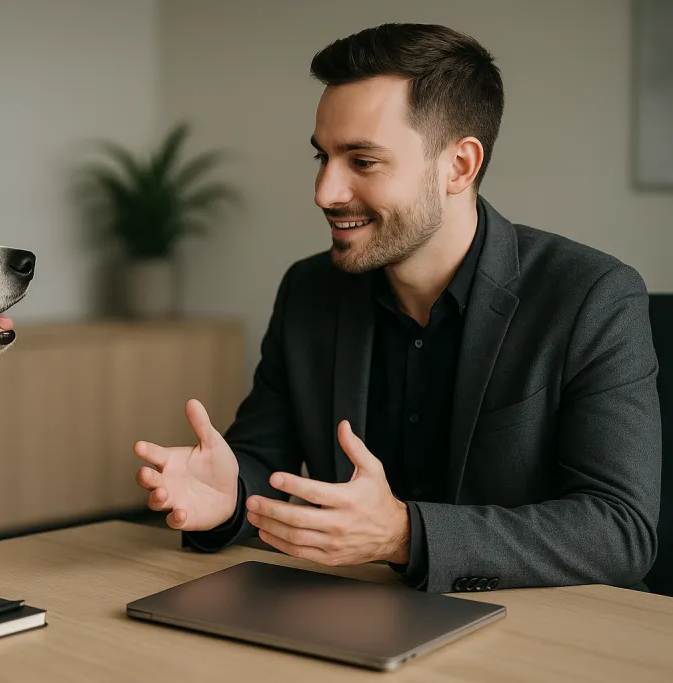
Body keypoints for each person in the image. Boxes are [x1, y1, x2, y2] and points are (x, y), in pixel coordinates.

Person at [133, 23, 662, 594]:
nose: (324, 191)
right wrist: (229, 497)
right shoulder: (309, 291)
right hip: (345, 622)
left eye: (362, 161)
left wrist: (404, 535)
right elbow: (262, 457)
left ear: (459, 166)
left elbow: (619, 532)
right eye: (324, 156)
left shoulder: (593, 297)